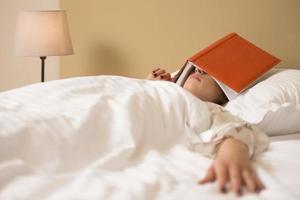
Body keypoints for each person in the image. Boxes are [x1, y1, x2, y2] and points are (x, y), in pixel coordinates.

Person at [146, 67, 267, 196]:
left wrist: (233, 147)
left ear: (224, 95)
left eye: (212, 74)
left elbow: (234, 127)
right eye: (196, 69)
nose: (199, 71)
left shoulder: (207, 109)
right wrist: (147, 86)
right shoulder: (154, 87)